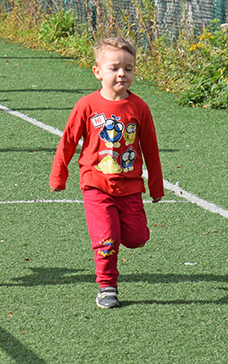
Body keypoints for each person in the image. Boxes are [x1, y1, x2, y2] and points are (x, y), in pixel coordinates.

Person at [49, 36, 164, 309]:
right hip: (95, 184)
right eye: (114, 68)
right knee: (106, 239)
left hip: (130, 186)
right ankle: (107, 285)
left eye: (129, 68)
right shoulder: (86, 106)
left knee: (136, 239)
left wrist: (157, 188)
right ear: (98, 72)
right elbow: (67, 141)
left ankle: (121, 232)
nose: (122, 73)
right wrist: (58, 176)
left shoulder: (140, 108)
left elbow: (150, 149)